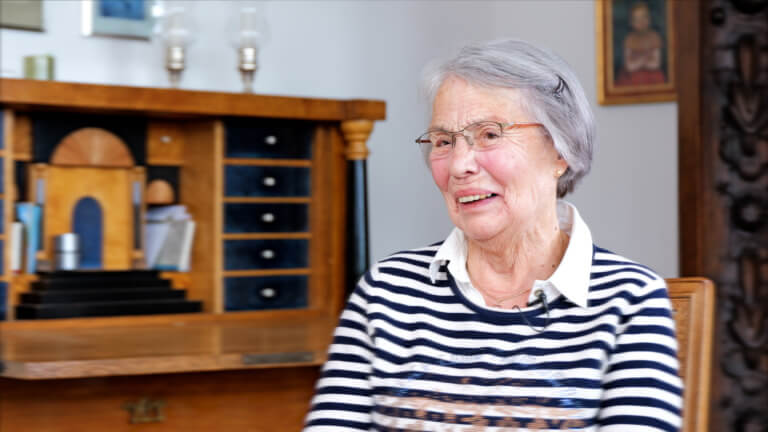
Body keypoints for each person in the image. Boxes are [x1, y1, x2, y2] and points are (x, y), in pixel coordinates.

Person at [304, 39, 682, 431]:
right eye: (443, 141)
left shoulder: (630, 301)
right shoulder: (386, 292)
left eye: (489, 134)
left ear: (560, 150)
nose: (459, 165)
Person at [615, 1, 667, 86]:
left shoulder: (654, 37)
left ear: (649, 19)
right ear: (631, 22)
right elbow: (629, 66)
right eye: (637, 19)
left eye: (644, 17)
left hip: (653, 76)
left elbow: (656, 64)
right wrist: (644, 60)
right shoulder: (629, 39)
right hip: (632, 77)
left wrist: (639, 61)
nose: (641, 22)